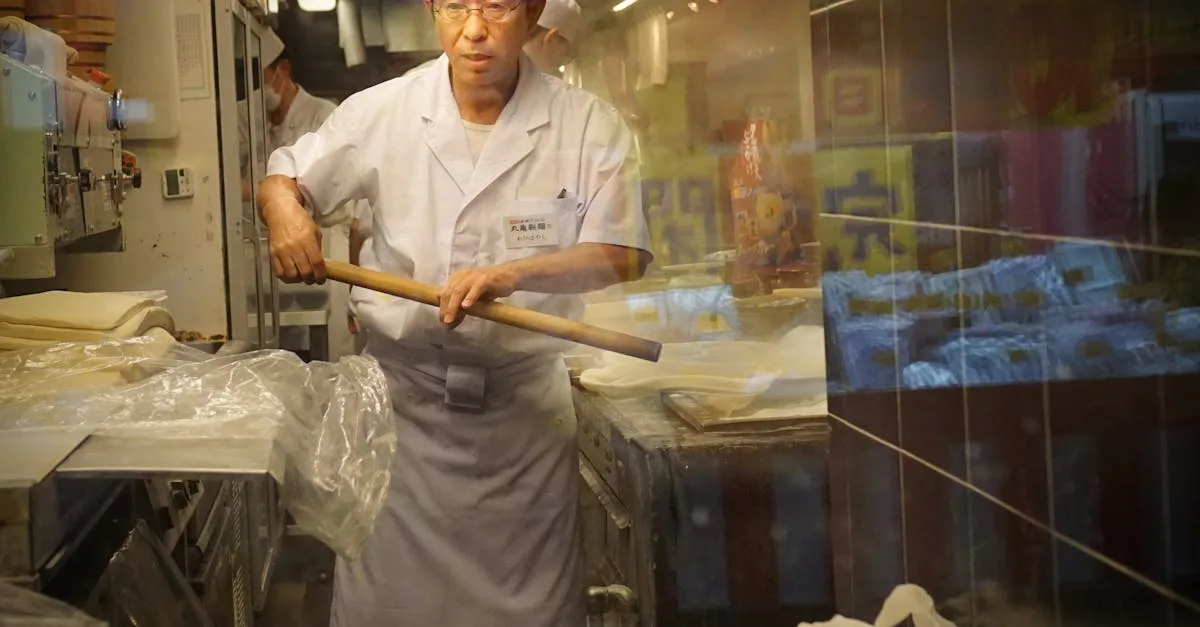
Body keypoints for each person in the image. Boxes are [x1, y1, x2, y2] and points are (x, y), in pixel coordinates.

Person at [256, 1, 651, 625]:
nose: (474, 29)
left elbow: (625, 253)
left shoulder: (586, 125)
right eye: (454, 6)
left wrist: (515, 274)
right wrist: (282, 208)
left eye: (495, 5)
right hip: (403, 428)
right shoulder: (383, 111)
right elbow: (288, 177)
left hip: (521, 433)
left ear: (532, 11)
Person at [345, 0, 583, 337]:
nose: (476, 31)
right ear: (551, 38)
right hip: (410, 357)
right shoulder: (404, 105)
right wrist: (354, 297)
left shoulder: (571, 118)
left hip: (521, 366)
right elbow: (362, 222)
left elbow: (607, 246)